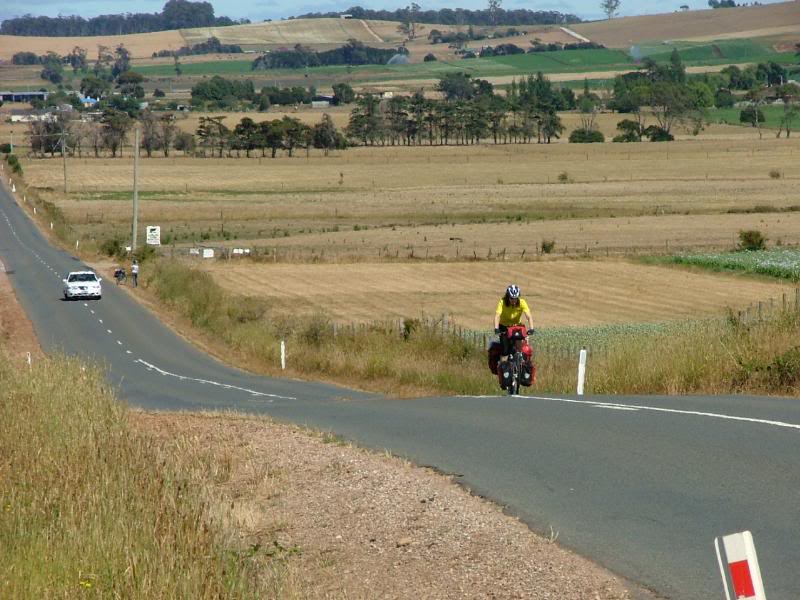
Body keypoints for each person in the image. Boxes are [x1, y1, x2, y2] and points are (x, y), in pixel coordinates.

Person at [493, 284, 534, 357]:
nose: (514, 300)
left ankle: (520, 365)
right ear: (508, 297)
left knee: (519, 350)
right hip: (504, 326)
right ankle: (502, 366)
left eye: (516, 298)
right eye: (511, 298)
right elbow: (497, 316)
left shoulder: (522, 302)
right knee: (505, 351)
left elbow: (529, 316)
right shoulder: (502, 302)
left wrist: (531, 328)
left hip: (516, 327)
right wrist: (496, 328)